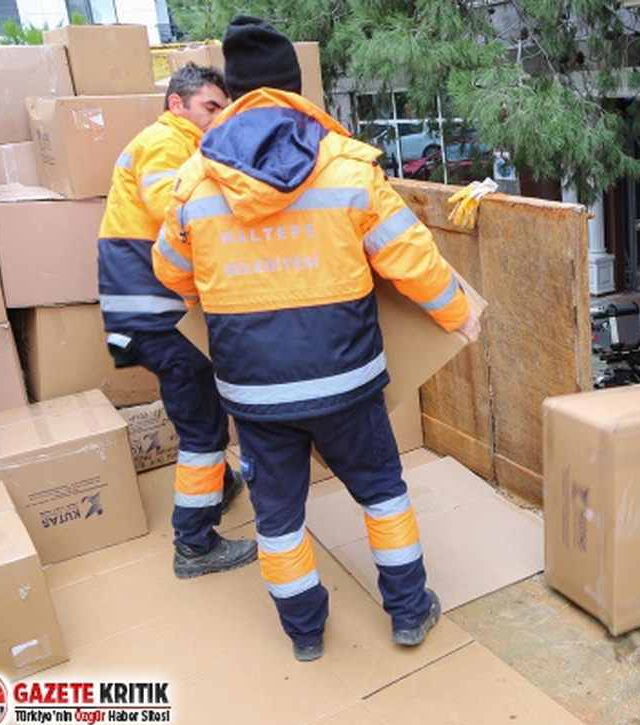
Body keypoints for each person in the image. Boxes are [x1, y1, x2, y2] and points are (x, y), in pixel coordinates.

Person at [153, 17, 481, 662]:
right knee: (383, 497)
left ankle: (305, 634)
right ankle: (410, 613)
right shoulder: (348, 167)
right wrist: (455, 316)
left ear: (239, 92)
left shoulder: (195, 179)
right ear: (297, 90)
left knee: (278, 522)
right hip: (346, 384)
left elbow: (169, 270)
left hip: (253, 391)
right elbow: (410, 258)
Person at [97, 64, 255, 579]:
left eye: (221, 109)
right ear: (177, 104)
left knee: (202, 414)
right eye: (210, 107)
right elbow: (179, 212)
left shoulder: (176, 145)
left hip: (159, 314)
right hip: (160, 318)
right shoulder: (166, 144)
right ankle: (194, 544)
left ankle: (220, 484)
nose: (217, 118)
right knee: (204, 431)